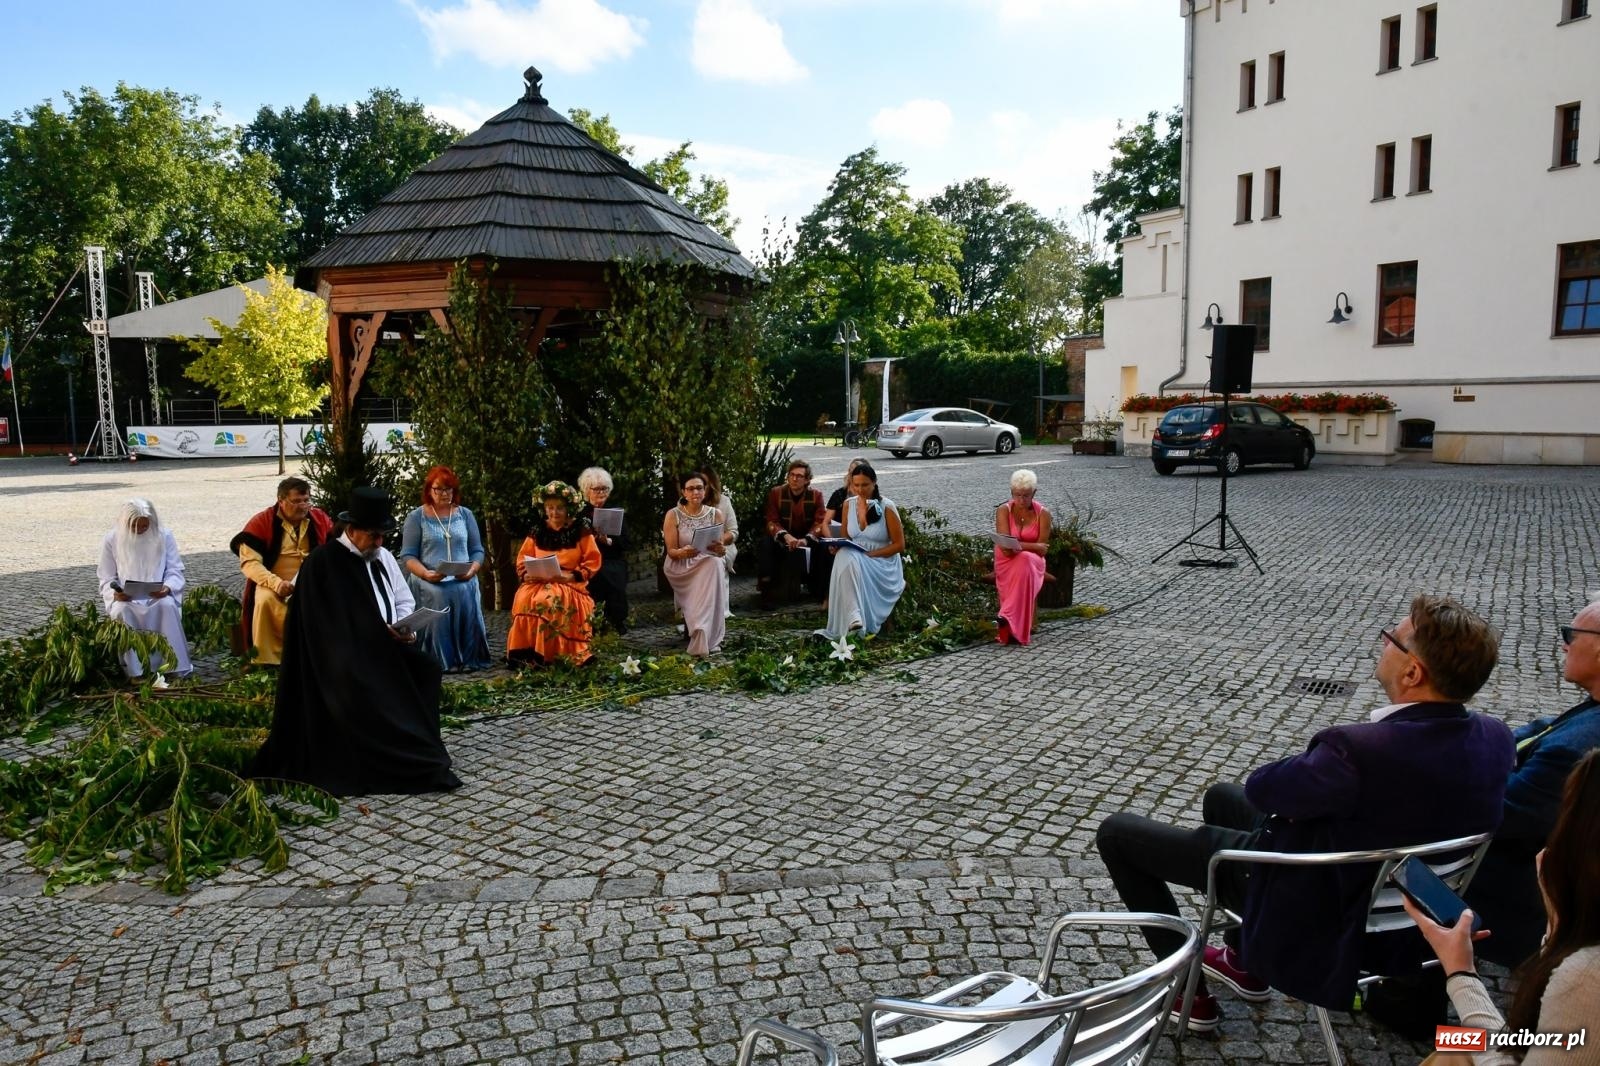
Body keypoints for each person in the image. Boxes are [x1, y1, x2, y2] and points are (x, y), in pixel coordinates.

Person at [1094, 595, 1515, 1031]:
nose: (1382, 643)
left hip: (1316, 902)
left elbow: (1265, 787)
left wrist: (1335, 759)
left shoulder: (1358, 749)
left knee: (1117, 833)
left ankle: (1185, 990)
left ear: (1412, 672)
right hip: (1394, 893)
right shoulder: (1494, 736)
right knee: (1221, 796)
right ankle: (1244, 962)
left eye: (1392, 638)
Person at [1363, 601, 1600, 1036]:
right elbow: (1531, 733)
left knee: (1412, 849)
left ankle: (1406, 993)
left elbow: (1496, 815)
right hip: (1526, 858)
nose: (1563, 646)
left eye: (1572, 636)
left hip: (1517, 883)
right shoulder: (1591, 712)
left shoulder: (1583, 746)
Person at [250, 487, 460, 796]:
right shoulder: (324, 562)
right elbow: (322, 628)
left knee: (426, 668)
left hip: (386, 646)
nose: (379, 542)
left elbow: (402, 598)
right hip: (341, 659)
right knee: (366, 683)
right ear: (352, 530)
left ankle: (423, 743)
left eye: (382, 536)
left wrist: (404, 629)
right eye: (374, 536)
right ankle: (396, 752)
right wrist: (373, 640)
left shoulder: (381, 556)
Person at [1404, 751, 1600, 1066]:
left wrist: (1460, 971)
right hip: (1554, 1042)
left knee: (1452, 1049)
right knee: (1451, 1043)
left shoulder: (1586, 977)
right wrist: (1560, 917)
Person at [230, 477, 334, 665]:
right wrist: (277, 584)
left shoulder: (319, 519)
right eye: (297, 501)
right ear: (281, 501)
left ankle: (322, 658)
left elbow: (334, 551)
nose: (303, 506)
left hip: (311, 582)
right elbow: (250, 563)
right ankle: (268, 662)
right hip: (273, 582)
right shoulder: (262, 521)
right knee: (264, 600)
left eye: (306, 500)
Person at [397, 466, 491, 672]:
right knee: (439, 593)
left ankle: (468, 658)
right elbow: (408, 556)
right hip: (429, 576)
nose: (444, 494)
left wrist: (473, 569)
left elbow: (477, 550)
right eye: (439, 489)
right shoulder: (416, 517)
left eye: (449, 489)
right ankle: (440, 659)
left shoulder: (465, 515)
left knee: (465, 588)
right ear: (429, 490)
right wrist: (426, 574)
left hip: (462, 575)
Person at [507, 481, 601, 668]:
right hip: (538, 580)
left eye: (559, 508)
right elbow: (522, 559)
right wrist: (526, 575)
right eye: (550, 508)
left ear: (569, 509)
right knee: (522, 598)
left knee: (547, 600)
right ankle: (527, 653)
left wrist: (571, 576)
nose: (554, 513)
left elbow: (593, 560)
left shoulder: (580, 529)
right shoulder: (538, 529)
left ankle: (550, 654)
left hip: (568, 582)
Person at [96, 498, 193, 679]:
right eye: (135, 527)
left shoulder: (164, 536)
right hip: (127, 599)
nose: (140, 531)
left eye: (144, 526)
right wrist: (115, 593)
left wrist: (167, 588)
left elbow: (174, 569)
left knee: (166, 606)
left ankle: (173, 666)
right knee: (122, 611)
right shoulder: (111, 539)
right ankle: (135, 671)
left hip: (158, 595)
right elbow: (107, 576)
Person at [814, 462, 905, 640]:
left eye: (865, 485)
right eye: (856, 485)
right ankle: (854, 617)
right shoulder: (848, 504)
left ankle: (855, 616)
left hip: (882, 561)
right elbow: (847, 537)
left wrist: (870, 555)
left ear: (874, 483)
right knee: (843, 553)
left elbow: (899, 545)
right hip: (856, 558)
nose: (860, 490)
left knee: (847, 557)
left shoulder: (887, 506)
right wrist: (837, 545)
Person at [663, 471, 728, 657]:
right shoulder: (673, 515)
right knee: (712, 565)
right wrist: (683, 552)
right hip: (681, 564)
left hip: (706, 561)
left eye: (699, 488)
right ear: (683, 492)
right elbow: (671, 551)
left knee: (715, 563)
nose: (695, 492)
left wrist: (721, 550)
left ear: (705, 490)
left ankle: (708, 635)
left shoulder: (715, 514)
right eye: (690, 489)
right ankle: (699, 628)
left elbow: (719, 547)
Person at [757, 460, 829, 608]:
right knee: (765, 543)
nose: (795, 479)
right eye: (792, 475)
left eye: (799, 476)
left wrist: (806, 539)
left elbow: (820, 522)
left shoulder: (816, 495)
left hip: (807, 539)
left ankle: (821, 591)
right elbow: (772, 520)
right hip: (782, 539)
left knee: (824, 548)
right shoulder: (776, 493)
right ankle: (767, 591)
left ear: (807, 480)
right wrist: (786, 536)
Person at [993, 469, 1052, 646]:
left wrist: (1021, 547)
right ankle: (1010, 621)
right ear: (1011, 493)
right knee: (1023, 562)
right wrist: (1032, 546)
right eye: (1017, 495)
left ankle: (1006, 616)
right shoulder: (1004, 510)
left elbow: (1043, 551)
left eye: (1026, 496)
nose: (1021, 500)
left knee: (1025, 560)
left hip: (1033, 563)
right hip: (1006, 561)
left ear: (1034, 493)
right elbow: (1005, 548)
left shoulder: (1043, 514)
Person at [577, 467, 629, 634]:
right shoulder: (579, 513)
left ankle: (615, 621)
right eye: (596, 488)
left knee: (612, 573)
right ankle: (592, 622)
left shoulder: (615, 511)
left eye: (604, 488)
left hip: (611, 557)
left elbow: (627, 542)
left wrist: (607, 540)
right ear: (587, 490)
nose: (601, 492)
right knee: (596, 574)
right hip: (586, 560)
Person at [699, 466, 739, 619]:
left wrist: (719, 540)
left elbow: (733, 531)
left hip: (720, 547)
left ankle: (718, 610)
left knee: (714, 559)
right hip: (693, 547)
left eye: (704, 484)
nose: (699, 490)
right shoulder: (684, 503)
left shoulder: (723, 502)